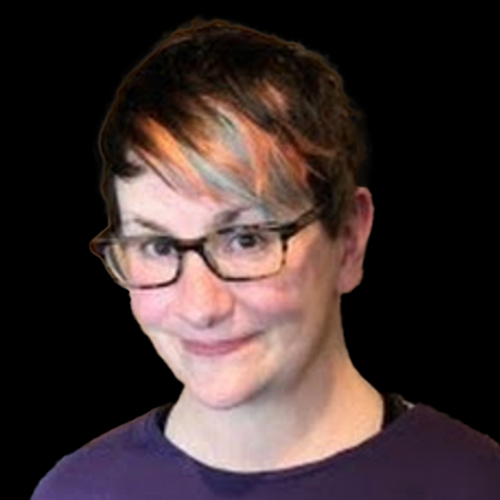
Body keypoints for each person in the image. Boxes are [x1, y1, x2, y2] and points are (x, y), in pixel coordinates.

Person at [32, 17, 499, 499]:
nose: (200, 308)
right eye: (159, 246)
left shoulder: (479, 483)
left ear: (349, 239)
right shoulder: (75, 493)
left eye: (246, 239)